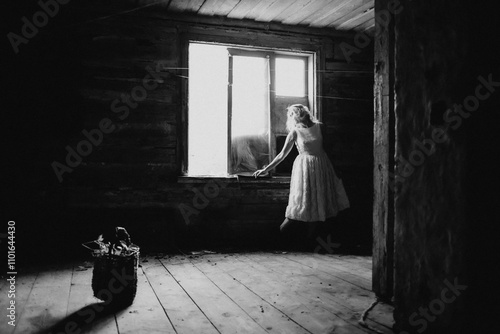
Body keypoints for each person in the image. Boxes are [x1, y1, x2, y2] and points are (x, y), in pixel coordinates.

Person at [253, 104, 350, 240]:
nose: (293, 118)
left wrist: (335, 170)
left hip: (322, 165)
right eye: (292, 115)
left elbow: (329, 149)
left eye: (294, 114)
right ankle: (279, 237)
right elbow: (282, 155)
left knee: (319, 200)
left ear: (301, 114)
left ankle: (311, 240)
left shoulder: (320, 127)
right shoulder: (294, 132)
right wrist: (265, 169)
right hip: (304, 169)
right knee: (303, 201)